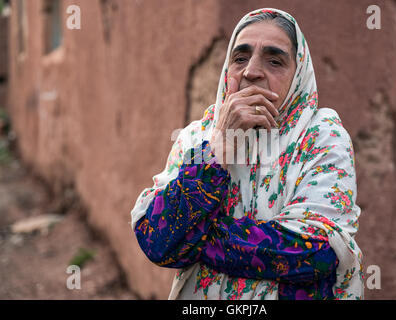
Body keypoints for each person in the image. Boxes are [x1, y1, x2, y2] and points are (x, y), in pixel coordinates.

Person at [130, 8, 363, 300]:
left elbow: (316, 253)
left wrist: (193, 236)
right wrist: (218, 150)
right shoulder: (198, 138)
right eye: (240, 58)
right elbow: (157, 242)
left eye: (274, 60)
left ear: (299, 74)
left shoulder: (320, 135)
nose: (251, 72)